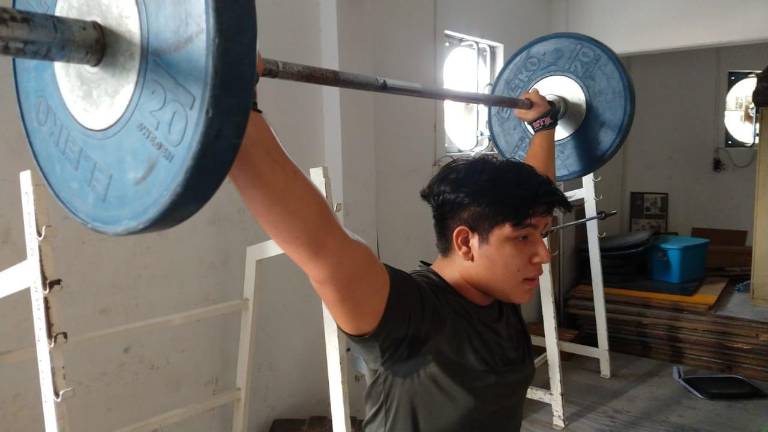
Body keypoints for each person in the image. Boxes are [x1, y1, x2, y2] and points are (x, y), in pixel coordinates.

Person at [229, 57, 572, 431]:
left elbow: (534, 192)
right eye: (524, 238)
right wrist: (235, 107)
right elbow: (324, 249)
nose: (543, 253)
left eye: (543, 234)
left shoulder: (497, 291)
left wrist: (543, 127)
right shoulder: (411, 316)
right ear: (466, 243)